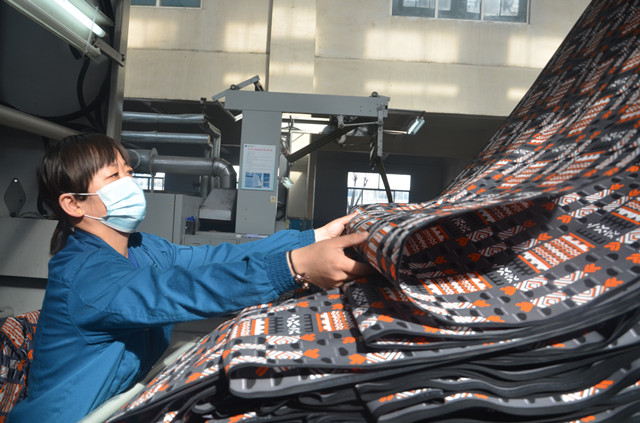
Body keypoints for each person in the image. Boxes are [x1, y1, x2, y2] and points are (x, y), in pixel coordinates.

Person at [8, 133, 371, 422]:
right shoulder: (85, 275)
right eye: (114, 176)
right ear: (73, 204)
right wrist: (292, 267)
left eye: (129, 172)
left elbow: (212, 259)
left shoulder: (141, 247)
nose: (129, 182)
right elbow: (177, 291)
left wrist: (311, 239)